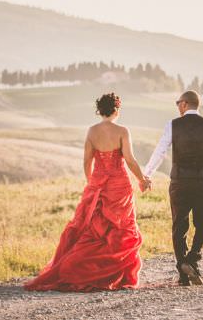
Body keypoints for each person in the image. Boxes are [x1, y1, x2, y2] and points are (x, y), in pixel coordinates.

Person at [24, 92, 152, 291]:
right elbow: (129, 159)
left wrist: (92, 183)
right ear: (117, 110)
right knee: (121, 229)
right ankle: (117, 275)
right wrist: (142, 179)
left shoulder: (92, 131)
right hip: (119, 185)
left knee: (93, 231)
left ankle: (80, 269)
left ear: (100, 110)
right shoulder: (122, 131)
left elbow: (87, 160)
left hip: (98, 184)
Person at [143, 90, 203, 286]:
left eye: (178, 102)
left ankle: (184, 274)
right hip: (202, 181)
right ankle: (192, 259)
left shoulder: (173, 125)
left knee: (180, 226)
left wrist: (148, 173)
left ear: (185, 104)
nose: (177, 106)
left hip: (179, 181)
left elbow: (160, 151)